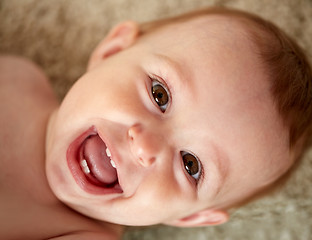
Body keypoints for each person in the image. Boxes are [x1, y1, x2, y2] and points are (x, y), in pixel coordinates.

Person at [1, 6, 311, 240]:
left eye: (191, 165)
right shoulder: (20, 77)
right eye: (159, 94)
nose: (145, 146)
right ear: (113, 52)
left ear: (190, 217)